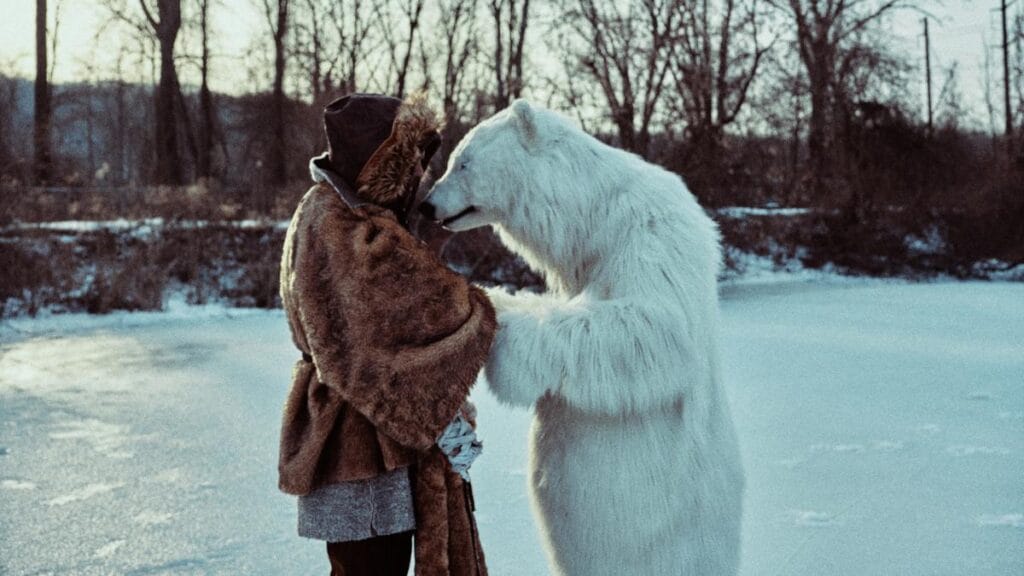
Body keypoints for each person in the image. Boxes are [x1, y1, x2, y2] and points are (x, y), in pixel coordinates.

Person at [277, 92, 496, 576]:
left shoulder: (328, 210)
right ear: (387, 164)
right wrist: (477, 312)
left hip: (364, 443)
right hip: (358, 450)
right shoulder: (344, 227)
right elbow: (385, 335)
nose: (420, 172)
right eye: (411, 158)